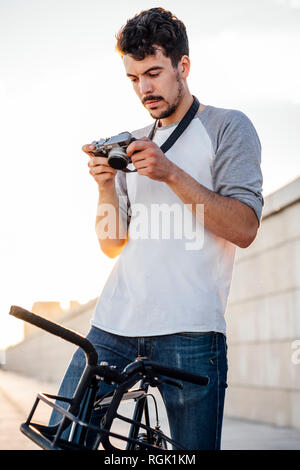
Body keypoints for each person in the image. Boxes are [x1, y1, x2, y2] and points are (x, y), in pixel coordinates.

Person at [50, 7, 263, 450]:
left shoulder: (228, 127)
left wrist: (170, 174)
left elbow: (244, 227)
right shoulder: (130, 141)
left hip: (192, 330)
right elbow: (112, 245)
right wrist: (106, 187)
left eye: (153, 73)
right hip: (114, 324)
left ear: (183, 66)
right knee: (62, 439)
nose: (144, 88)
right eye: (133, 78)